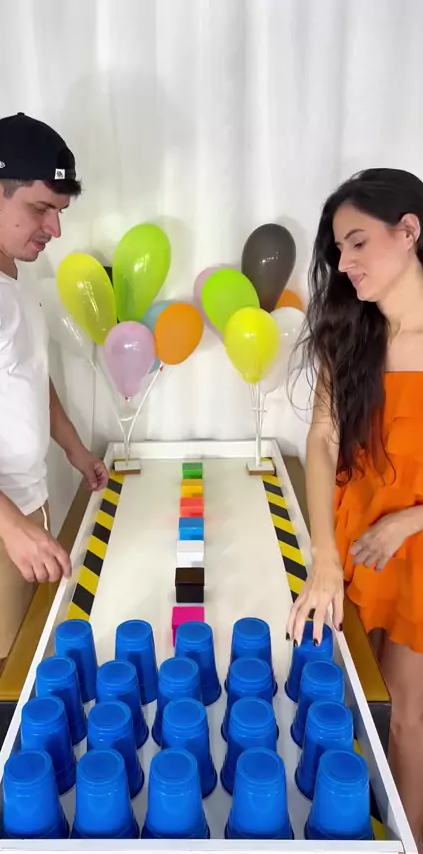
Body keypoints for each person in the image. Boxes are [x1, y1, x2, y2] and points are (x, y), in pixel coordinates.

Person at [0, 112, 108, 829]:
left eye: (59, 211)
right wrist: (11, 529)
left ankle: (24, 817)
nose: (55, 229)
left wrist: (74, 450)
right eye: (42, 209)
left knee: (21, 677)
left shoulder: (8, 275)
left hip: (21, 512)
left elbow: (31, 381)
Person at [287, 168, 423, 850]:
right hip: (349, 545)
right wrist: (323, 557)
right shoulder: (349, 332)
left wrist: (409, 521)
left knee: (406, 720)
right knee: (342, 701)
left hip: (415, 556)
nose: (344, 264)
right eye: (338, 249)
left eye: (358, 242)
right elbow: (323, 438)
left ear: (409, 231)